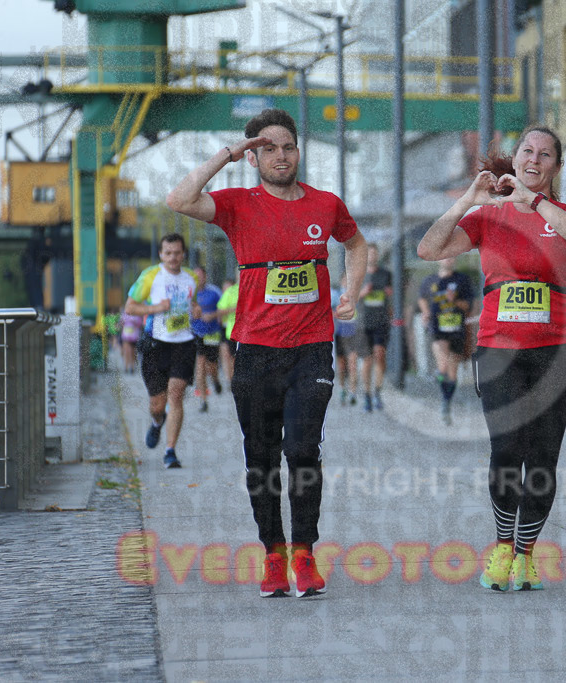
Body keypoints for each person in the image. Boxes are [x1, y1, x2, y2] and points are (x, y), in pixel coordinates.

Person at [166, 108, 368, 599]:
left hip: (312, 349)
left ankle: (304, 554)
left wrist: (351, 290)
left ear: (299, 152)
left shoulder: (325, 204)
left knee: (301, 450)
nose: (281, 156)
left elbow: (358, 244)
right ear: (255, 157)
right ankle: (272, 554)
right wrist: (229, 154)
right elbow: (178, 198)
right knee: (261, 459)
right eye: (269, 148)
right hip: (255, 352)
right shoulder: (237, 203)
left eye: (288, 147)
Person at [418, 125, 566, 592]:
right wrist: (469, 201)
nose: (534, 160)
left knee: (542, 459)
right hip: (499, 349)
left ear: (555, 166)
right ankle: (501, 546)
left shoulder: (563, 213)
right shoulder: (488, 218)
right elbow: (428, 248)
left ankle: (526, 554)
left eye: (545, 155)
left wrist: (533, 202)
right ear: (515, 160)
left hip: (556, 351)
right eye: (527, 152)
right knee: (507, 448)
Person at [124, 233, 199, 469]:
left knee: (176, 395)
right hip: (157, 344)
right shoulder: (150, 276)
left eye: (177, 253)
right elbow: (130, 308)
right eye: (168, 253)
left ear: (183, 254)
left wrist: (195, 309)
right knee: (157, 405)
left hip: (184, 343)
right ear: (161, 254)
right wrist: (157, 307)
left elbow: (192, 303)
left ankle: (170, 451)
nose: (173, 257)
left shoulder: (191, 279)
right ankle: (157, 423)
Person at [418, 257, 475, 424]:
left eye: (452, 256)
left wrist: (455, 301)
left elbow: (468, 306)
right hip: (437, 327)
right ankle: (439, 376)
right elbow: (422, 298)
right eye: (445, 256)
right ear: (439, 259)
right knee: (442, 364)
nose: (449, 259)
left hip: (457, 328)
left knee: (452, 374)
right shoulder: (430, 280)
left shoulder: (462, 280)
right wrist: (426, 311)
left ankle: (446, 402)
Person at [357, 243, 392, 412]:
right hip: (363, 322)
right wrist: (364, 292)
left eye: (375, 254)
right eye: (369, 254)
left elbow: (393, 296)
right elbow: (351, 297)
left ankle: (377, 391)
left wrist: (389, 294)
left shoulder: (386, 274)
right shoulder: (359, 273)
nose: (372, 257)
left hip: (381, 321)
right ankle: (367, 394)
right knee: (367, 360)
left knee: (380, 355)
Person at [190, 266, 223, 413]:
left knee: (212, 366)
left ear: (205, 277)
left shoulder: (214, 292)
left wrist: (213, 315)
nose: (198, 280)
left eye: (201, 276)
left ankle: (215, 380)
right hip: (196, 333)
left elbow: (224, 308)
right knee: (200, 366)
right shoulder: (190, 293)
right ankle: (203, 400)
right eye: (195, 277)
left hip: (212, 333)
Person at [331, 277, 360, 406]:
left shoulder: (358, 295)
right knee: (342, 366)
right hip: (340, 334)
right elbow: (329, 311)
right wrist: (338, 313)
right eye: (345, 281)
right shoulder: (336, 295)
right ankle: (342, 388)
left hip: (354, 333)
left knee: (353, 363)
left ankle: (353, 392)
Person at [216, 276, 239, 387]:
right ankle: (232, 382)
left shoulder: (251, 288)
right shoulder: (231, 291)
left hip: (248, 334)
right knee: (231, 358)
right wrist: (233, 309)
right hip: (231, 332)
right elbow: (220, 310)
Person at [119, 306, 144, 374]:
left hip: (134, 335)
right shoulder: (125, 314)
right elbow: (121, 322)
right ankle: (126, 366)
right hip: (126, 335)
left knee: (133, 351)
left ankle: (132, 366)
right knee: (126, 351)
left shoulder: (138, 315)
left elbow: (140, 324)